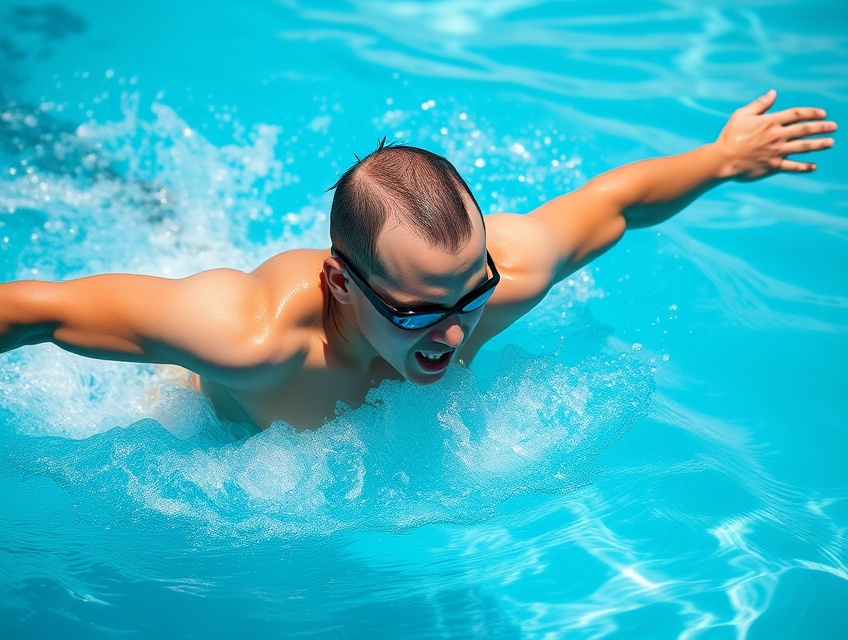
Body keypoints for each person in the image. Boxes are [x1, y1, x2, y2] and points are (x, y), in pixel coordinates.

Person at [0, 91, 837, 429]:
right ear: (340, 283)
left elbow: (613, 204)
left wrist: (723, 159)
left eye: (470, 293)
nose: (453, 329)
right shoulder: (244, 338)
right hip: (200, 422)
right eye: (416, 309)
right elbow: (40, 311)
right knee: (177, 240)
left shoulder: (494, 286)